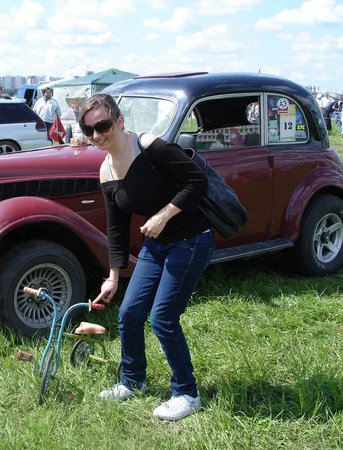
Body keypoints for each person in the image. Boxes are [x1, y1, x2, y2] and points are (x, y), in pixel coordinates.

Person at [80, 94, 215, 421]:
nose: (98, 134)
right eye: (89, 130)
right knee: (129, 313)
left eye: (103, 125)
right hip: (156, 245)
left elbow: (198, 180)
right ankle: (132, 381)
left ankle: (187, 392)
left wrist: (164, 215)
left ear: (119, 121)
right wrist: (113, 276)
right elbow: (116, 227)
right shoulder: (105, 171)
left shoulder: (148, 145)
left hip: (191, 238)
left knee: (163, 318)